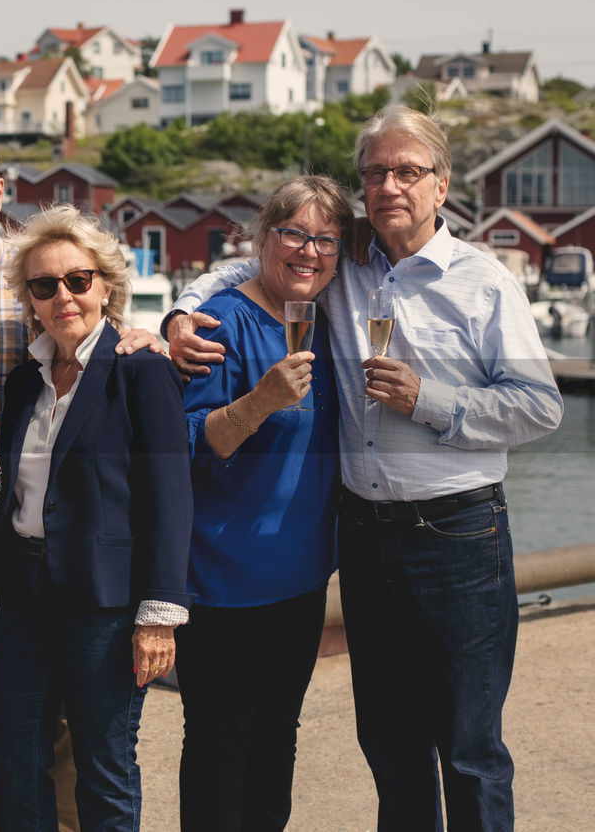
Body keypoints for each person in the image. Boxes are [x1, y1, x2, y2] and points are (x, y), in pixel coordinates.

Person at [165, 106, 563, 831]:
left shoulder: (484, 281)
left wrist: (433, 400)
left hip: (459, 535)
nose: (389, 185)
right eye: (375, 171)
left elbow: (541, 408)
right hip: (366, 540)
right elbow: (256, 258)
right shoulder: (344, 263)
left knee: (470, 748)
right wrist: (180, 311)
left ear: (441, 187)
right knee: (390, 742)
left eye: (408, 171)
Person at [0, 132, 159, 832]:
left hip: (54, 514)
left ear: (0, 190)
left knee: (77, 729)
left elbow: (100, 334)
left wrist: (155, 334)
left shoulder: (40, 265)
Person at [0, 204, 193, 831]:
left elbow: (172, 497)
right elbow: (24, 496)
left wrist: (160, 614)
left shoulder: (142, 369)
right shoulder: (23, 381)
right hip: (26, 599)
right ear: (29, 298)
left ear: (106, 285)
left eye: (77, 280)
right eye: (44, 285)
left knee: (104, 766)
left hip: (107, 606)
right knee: (12, 759)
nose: (62, 296)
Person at [175, 176, 351, 831]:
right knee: (222, 744)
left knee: (278, 736)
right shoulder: (221, 319)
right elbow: (191, 445)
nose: (309, 251)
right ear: (263, 239)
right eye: (294, 234)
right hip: (223, 582)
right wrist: (260, 401)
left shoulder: (330, 325)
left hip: (302, 579)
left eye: (324, 238)